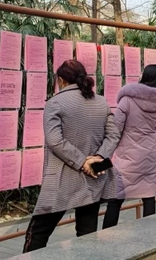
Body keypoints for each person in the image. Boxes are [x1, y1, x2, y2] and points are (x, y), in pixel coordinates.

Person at [23, 60, 119, 252]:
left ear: (60, 79)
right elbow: (113, 135)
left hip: (61, 179)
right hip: (93, 178)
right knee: (87, 235)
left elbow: (55, 141)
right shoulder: (101, 102)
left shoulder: (55, 103)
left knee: (38, 232)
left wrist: (82, 161)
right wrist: (97, 158)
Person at [103, 65, 156, 229]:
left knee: (116, 199)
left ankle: (105, 239)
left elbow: (116, 129)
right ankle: (150, 237)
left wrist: (105, 153)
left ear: (146, 76)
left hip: (128, 157)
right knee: (149, 196)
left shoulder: (127, 100)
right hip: (151, 155)